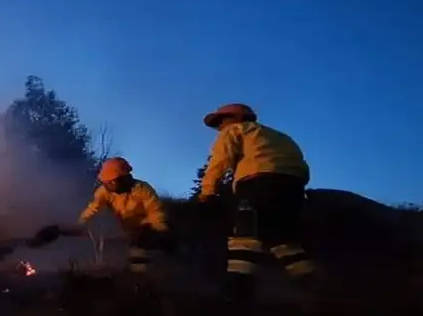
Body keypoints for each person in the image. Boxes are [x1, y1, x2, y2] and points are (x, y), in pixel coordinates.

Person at [197, 103, 317, 305]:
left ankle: (237, 289)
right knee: (281, 238)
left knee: (245, 233)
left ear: (236, 118)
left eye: (221, 120)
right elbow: (301, 163)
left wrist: (207, 193)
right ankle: (312, 282)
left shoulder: (235, 130)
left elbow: (220, 161)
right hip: (293, 187)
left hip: (257, 183)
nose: (219, 126)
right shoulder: (280, 137)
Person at [78, 156, 171, 275]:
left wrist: (159, 232)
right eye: (106, 182)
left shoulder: (143, 189)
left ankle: (141, 277)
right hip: (121, 229)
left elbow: (156, 212)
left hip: (144, 229)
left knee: (141, 251)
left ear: (123, 178)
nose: (108, 185)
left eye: (112, 181)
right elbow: (92, 209)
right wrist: (82, 223)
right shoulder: (104, 192)